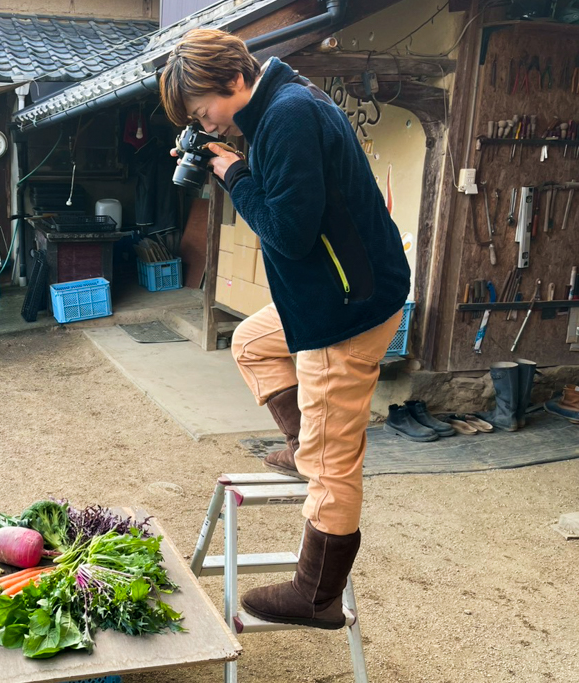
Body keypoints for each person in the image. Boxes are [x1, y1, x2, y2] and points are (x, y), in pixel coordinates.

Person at [160, 28, 411, 630]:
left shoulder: (289, 117)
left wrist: (234, 176)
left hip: (342, 311)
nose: (207, 124)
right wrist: (230, 157)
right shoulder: (281, 104)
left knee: (334, 465)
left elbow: (289, 232)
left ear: (233, 80)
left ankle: (316, 595)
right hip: (337, 292)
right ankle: (303, 446)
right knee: (250, 342)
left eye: (203, 111)